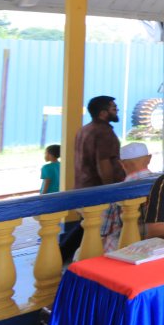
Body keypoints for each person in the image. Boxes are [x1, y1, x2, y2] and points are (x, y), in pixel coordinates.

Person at [61, 95, 125, 262]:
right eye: (113, 108)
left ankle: (62, 254)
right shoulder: (103, 132)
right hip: (99, 189)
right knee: (95, 227)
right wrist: (111, 190)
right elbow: (104, 163)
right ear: (103, 113)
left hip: (84, 186)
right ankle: (64, 255)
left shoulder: (86, 129)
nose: (116, 110)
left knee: (87, 225)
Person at [100, 143, 156, 252]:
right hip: (162, 242)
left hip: (126, 247)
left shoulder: (114, 192)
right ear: (149, 159)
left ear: (122, 164)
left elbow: (103, 231)